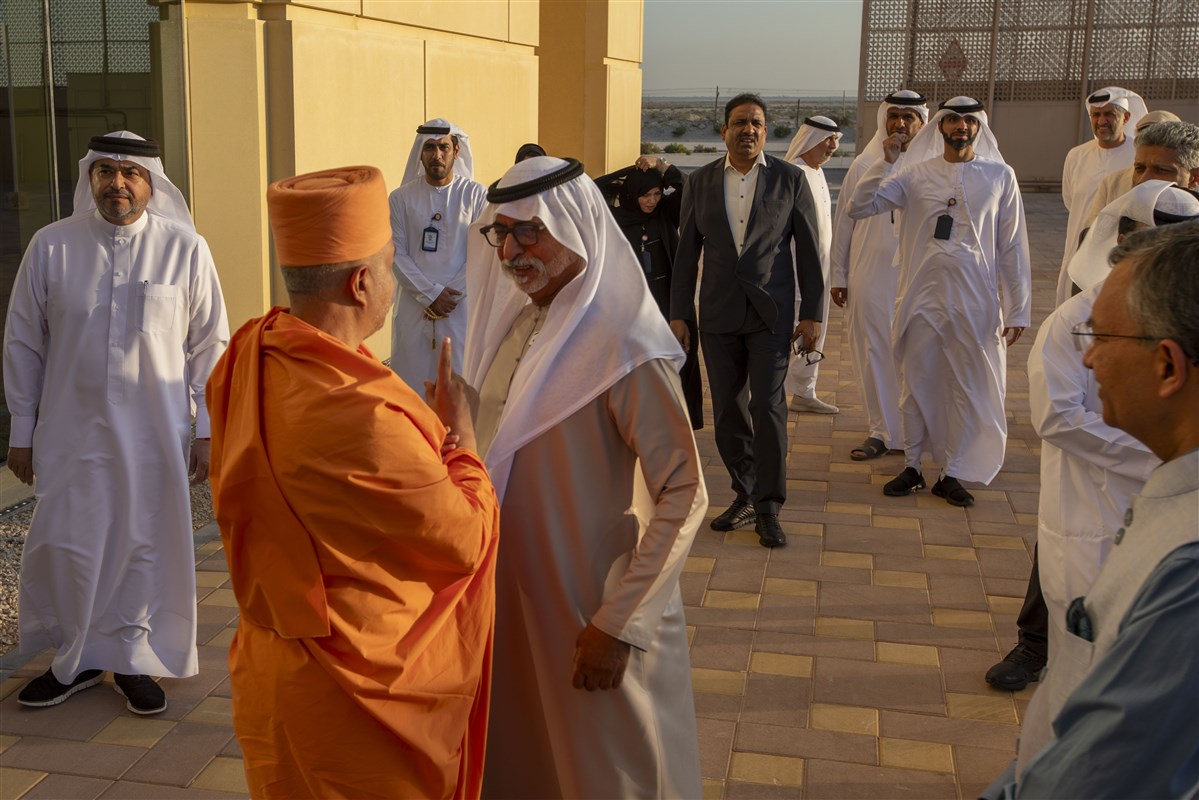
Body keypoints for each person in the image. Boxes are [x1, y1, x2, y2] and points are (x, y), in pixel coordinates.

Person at [206, 165, 499, 799]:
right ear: (362, 281)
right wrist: (463, 443)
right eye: (392, 265)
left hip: (272, 675)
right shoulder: (367, 417)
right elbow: (464, 538)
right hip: (361, 704)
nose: (396, 280)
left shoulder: (247, 356)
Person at [462, 156, 707, 798]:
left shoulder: (625, 343)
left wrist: (620, 621)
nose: (512, 251)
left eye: (530, 232)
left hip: (589, 617)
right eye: (502, 234)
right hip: (511, 606)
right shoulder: (515, 327)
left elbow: (685, 491)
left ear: (574, 228)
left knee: (609, 773)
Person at [4, 131, 229, 715]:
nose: (118, 184)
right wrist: (21, 432)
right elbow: (24, 344)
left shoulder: (185, 249)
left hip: (156, 435)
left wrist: (207, 428)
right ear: (90, 180)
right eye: (105, 171)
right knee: (74, 543)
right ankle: (76, 658)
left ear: (151, 183)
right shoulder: (51, 246)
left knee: (142, 542)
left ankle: (132, 658)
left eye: (130, 173)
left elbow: (210, 347)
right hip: (68, 433)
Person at [983, 220, 1199, 799]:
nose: (1088, 361)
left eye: (1103, 339)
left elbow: (1099, 775)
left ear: (1168, 366)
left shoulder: (1188, 570)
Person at [987, 130, 1199, 688]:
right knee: (1085, 668)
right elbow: (1056, 416)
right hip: (1092, 514)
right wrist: (1156, 456)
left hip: (1177, 521)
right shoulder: (1073, 320)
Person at [846, 97, 1031, 508]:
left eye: (968, 120)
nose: (960, 126)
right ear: (941, 127)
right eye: (952, 120)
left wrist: (1018, 307)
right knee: (915, 383)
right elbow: (859, 207)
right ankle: (912, 466)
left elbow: (1013, 246)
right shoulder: (912, 175)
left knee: (965, 387)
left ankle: (953, 472)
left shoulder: (1001, 176)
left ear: (979, 127)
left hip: (976, 304)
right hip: (919, 298)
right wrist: (886, 162)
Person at [670, 92, 824, 548]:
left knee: (769, 407)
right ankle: (745, 493)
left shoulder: (789, 179)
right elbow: (685, 257)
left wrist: (812, 313)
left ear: (765, 130)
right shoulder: (698, 182)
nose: (748, 130)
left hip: (770, 314)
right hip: (717, 314)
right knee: (729, 411)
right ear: (724, 131)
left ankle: (769, 507)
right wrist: (680, 314)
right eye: (739, 122)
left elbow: (811, 254)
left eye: (756, 122)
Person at [829, 90, 928, 459]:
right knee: (872, 349)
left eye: (909, 117)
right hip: (869, 271)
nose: (900, 124)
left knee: (915, 351)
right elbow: (845, 224)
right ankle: (881, 430)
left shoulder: (934, 165)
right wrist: (839, 274)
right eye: (894, 116)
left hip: (916, 272)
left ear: (922, 123)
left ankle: (915, 431)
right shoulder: (863, 164)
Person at [595, 154, 703, 428]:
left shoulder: (666, 213)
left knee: (673, 361)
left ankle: (673, 421)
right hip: (631, 307)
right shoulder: (614, 220)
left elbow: (690, 189)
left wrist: (662, 165)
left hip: (666, 302)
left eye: (656, 193)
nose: (651, 200)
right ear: (631, 193)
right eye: (645, 194)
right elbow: (592, 193)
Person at [388, 119, 488, 393]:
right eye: (429, 147)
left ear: (456, 151)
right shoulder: (400, 198)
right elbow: (396, 253)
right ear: (420, 153)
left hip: (459, 309)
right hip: (414, 308)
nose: (437, 155)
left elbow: (483, 253)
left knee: (458, 389)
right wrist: (430, 294)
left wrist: (448, 295)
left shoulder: (477, 196)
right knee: (411, 387)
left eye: (443, 147)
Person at [1054, 86, 1147, 305]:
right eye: (1096, 115)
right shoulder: (1076, 156)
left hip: (1119, 252)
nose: (1101, 121)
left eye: (1109, 114)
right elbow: (1071, 201)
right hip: (1079, 248)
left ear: (1126, 117)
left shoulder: (1139, 157)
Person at [782, 115, 842, 414]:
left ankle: (805, 392)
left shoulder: (817, 174)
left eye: (835, 139)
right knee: (788, 333)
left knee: (815, 330)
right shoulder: (792, 174)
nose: (833, 146)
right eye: (827, 139)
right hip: (793, 273)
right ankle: (770, 396)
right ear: (809, 139)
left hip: (820, 273)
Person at [1081, 111, 1184, 228]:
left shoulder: (1190, 185)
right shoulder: (1112, 182)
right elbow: (1092, 230)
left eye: (1161, 170)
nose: (1144, 179)